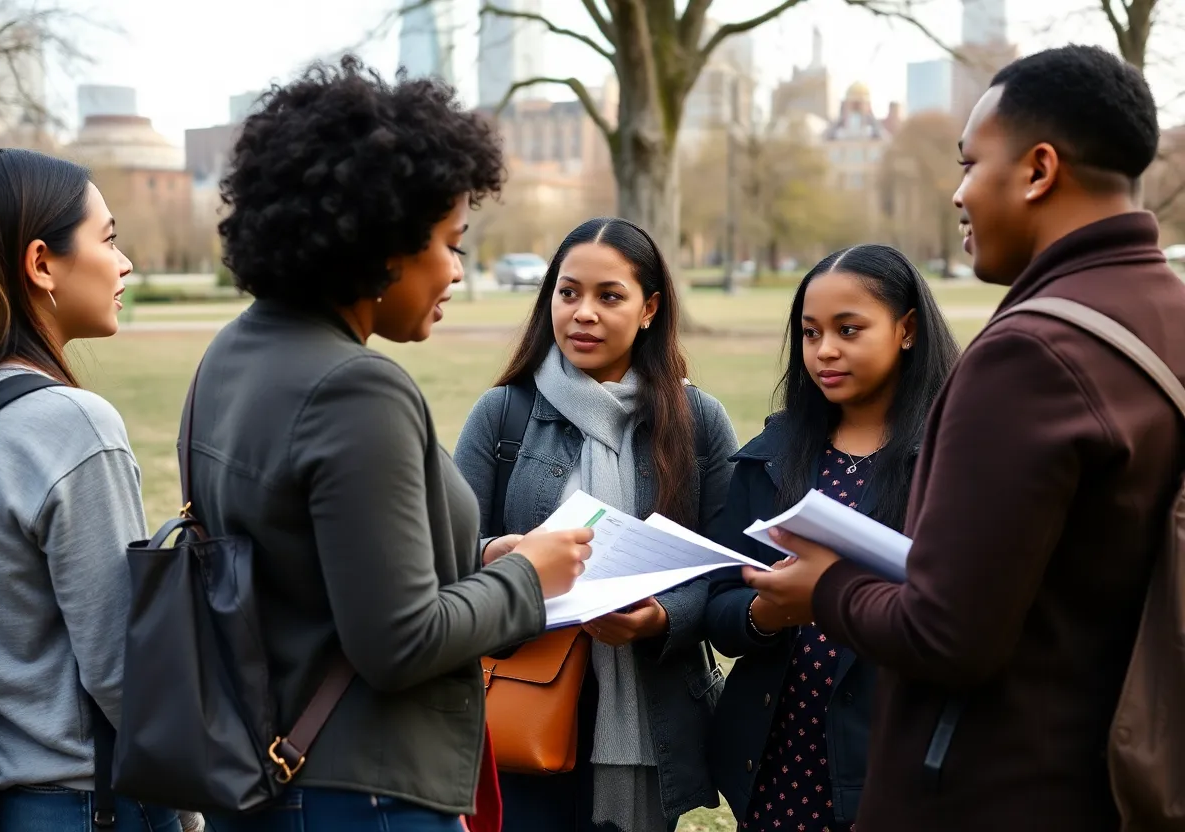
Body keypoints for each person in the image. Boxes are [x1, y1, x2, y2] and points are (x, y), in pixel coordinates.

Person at [742, 45, 1185, 831]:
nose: (957, 193)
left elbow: (947, 634)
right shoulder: (1168, 317)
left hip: (1002, 788)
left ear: (1039, 169)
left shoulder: (1030, 355)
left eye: (970, 163)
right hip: (1125, 772)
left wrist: (825, 588)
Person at [188, 59, 594, 832]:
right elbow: (398, 641)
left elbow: (311, 565)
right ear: (380, 247)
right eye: (451, 242)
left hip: (267, 770)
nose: (456, 271)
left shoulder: (232, 355)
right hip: (360, 790)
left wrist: (471, 561)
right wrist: (531, 579)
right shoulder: (358, 389)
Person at [453, 217, 739, 832]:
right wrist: (505, 553)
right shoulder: (502, 413)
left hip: (653, 709)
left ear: (649, 309)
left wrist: (663, 616)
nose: (583, 313)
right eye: (568, 292)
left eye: (609, 296)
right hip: (524, 702)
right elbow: (443, 557)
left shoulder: (699, 423)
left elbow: (728, 571)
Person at [704, 245, 959, 832]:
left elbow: (962, 618)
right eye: (810, 332)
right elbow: (716, 603)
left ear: (907, 330)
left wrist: (836, 594)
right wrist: (765, 613)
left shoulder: (951, 461)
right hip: (776, 762)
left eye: (849, 330)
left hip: (892, 764)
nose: (825, 351)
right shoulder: (771, 456)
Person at [0, 149, 180, 831]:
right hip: (89, 804)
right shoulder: (70, 425)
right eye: (109, 239)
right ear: (40, 263)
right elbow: (125, 669)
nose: (123, 265)